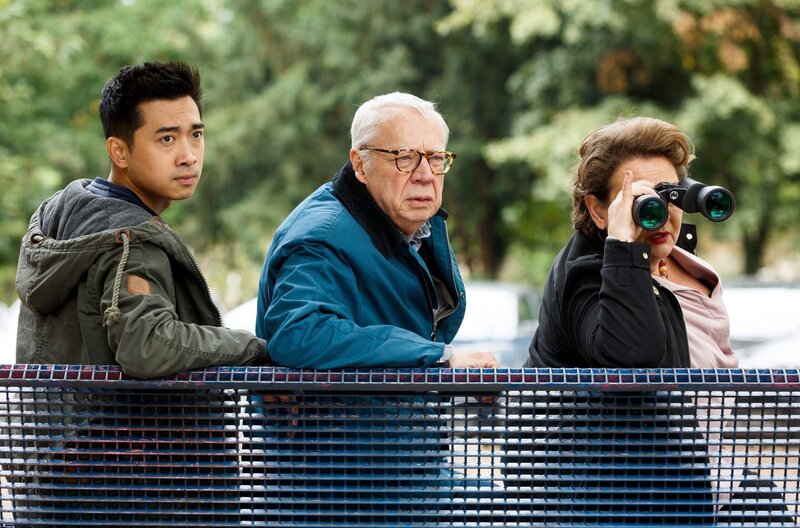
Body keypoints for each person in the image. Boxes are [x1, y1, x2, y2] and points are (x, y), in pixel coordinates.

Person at [11, 61, 268, 523]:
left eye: (196, 134)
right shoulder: (133, 240)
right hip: (133, 488)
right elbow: (146, 344)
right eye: (166, 138)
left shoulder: (62, 212)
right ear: (119, 150)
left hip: (58, 475)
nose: (189, 155)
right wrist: (253, 347)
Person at [511, 116, 786, 524]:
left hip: (692, 481)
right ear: (598, 210)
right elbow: (632, 357)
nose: (660, 214)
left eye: (669, 196)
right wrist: (623, 245)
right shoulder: (585, 275)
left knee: (768, 504)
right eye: (641, 200)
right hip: (608, 500)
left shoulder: (684, 265)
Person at [253, 92, 497, 524]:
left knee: (505, 502)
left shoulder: (412, 225)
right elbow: (299, 333)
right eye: (404, 157)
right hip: (339, 495)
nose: (425, 175)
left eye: (436, 158)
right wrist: (441, 360)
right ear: (360, 163)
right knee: (509, 507)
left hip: (401, 475)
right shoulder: (323, 234)